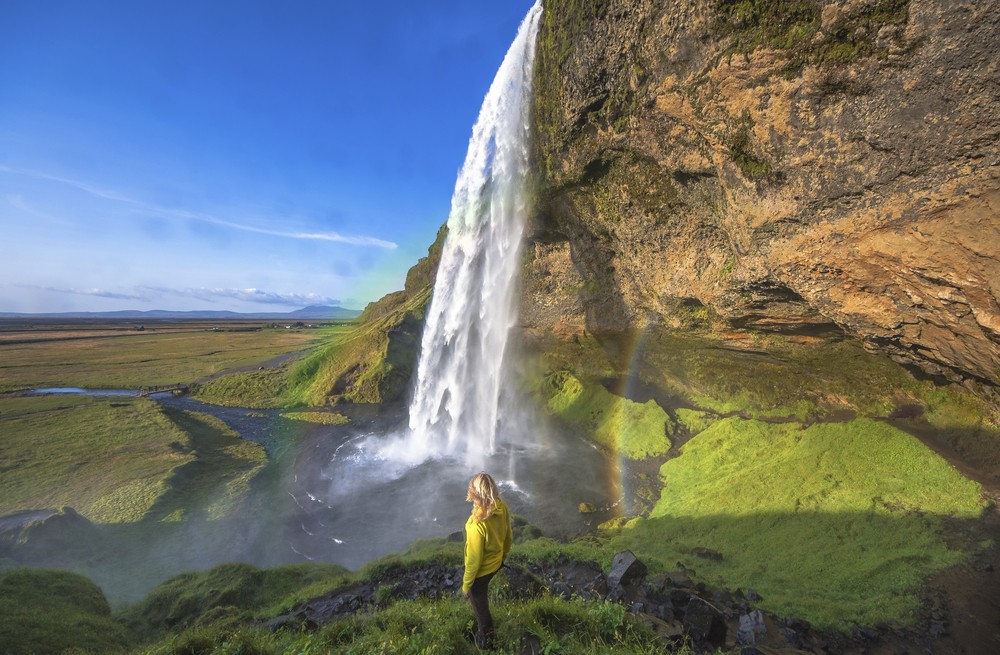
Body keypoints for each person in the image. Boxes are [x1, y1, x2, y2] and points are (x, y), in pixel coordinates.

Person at [462, 472, 513, 650]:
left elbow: (474, 561)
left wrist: (466, 586)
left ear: (474, 493)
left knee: (480, 608)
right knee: (482, 604)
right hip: (496, 563)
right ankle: (486, 635)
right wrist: (502, 556)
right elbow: (508, 536)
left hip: (481, 573)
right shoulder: (501, 506)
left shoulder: (477, 524)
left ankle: (487, 643)